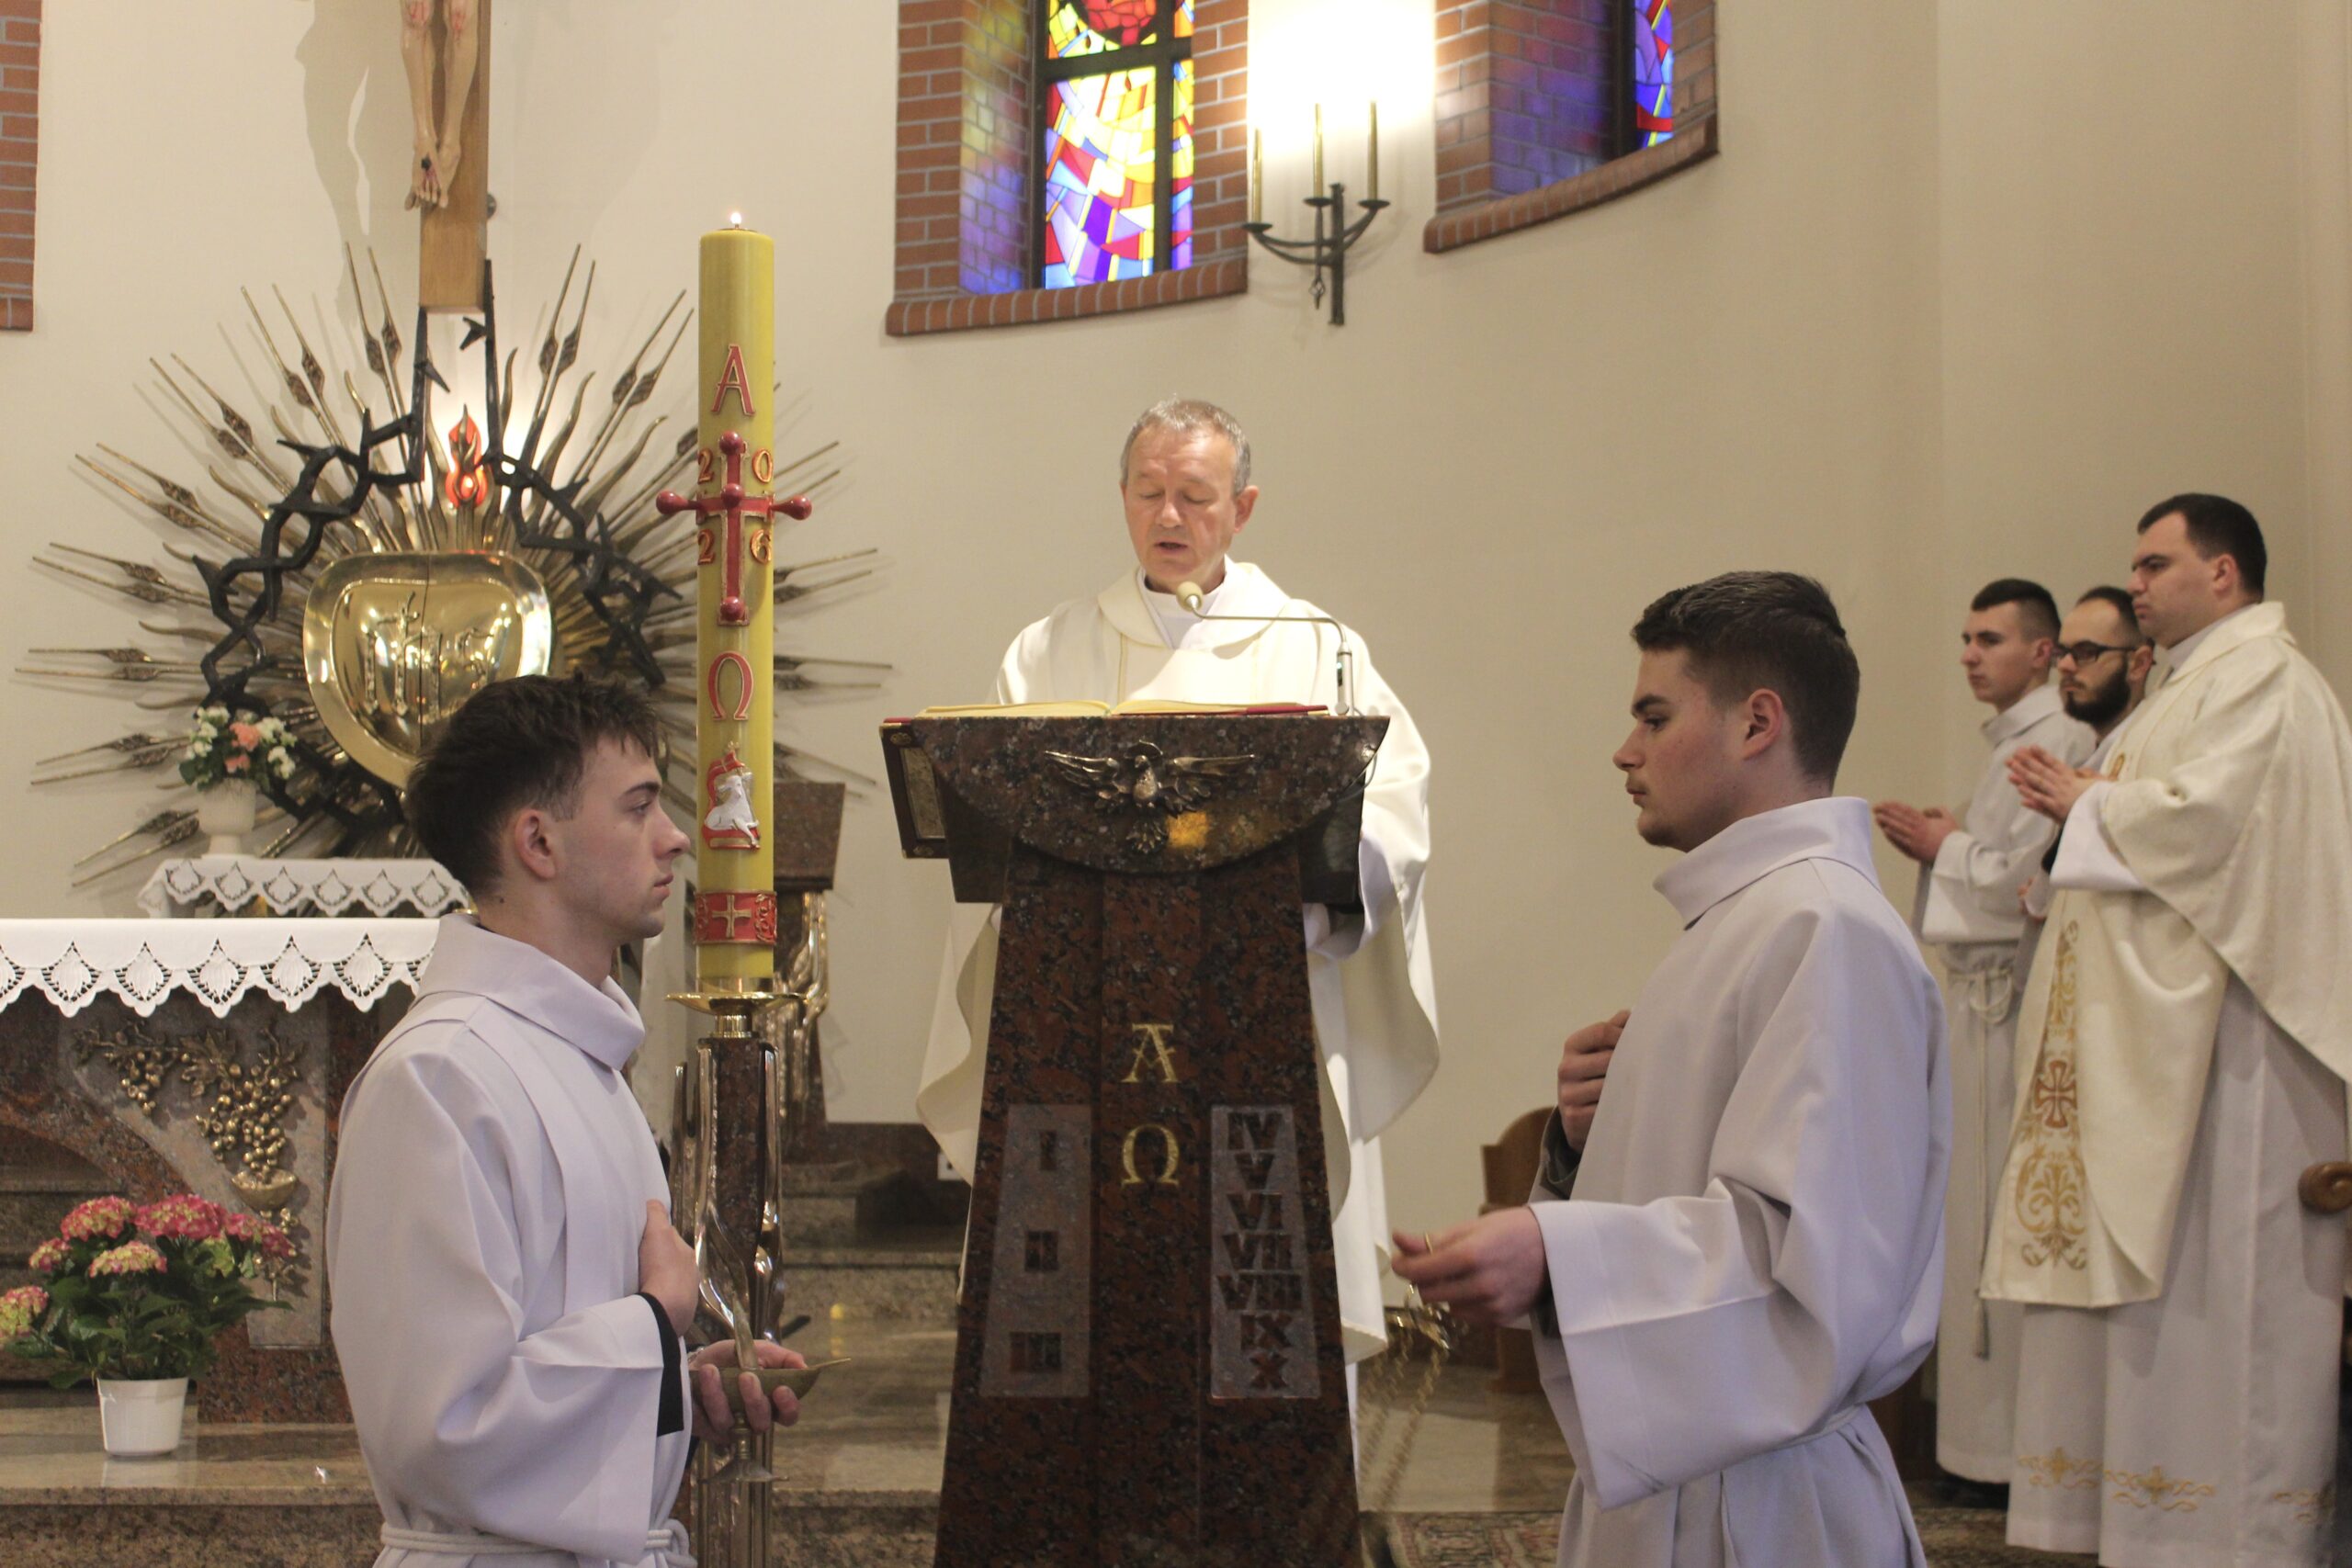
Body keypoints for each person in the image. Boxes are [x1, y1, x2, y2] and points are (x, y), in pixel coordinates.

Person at [1396, 571, 1948, 1568]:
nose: (1626, 750)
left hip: (1768, 1512)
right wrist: (1579, 1145)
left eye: (1654, 716)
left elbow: (1810, 1273)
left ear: (1757, 723)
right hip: (1686, 1482)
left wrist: (1556, 1254)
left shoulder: (1827, 927)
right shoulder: (1749, 917)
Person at [920, 397, 1438, 1371]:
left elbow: (1393, 811)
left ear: (1243, 507)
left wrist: (1300, 912)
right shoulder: (1048, 650)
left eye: (1195, 495)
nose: (1169, 516)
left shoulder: (1318, 648)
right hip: (1085, 1020)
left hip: (1262, 1008)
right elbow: (993, 828)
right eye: (1149, 492)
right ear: (1120, 496)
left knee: (1262, 1313)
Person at [326, 676, 807, 1567]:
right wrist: (654, 1320)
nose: (675, 837)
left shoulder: (579, 1058)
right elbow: (439, 1424)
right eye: (638, 807)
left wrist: (673, 1387)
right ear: (539, 841)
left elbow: (540, 1353)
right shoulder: (439, 1076)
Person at [1985, 494, 2352, 1566]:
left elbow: (2211, 829)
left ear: (2223, 573)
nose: (2135, 583)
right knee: (2154, 1303)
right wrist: (2085, 809)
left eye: (2154, 564)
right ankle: (2147, 1524)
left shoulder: (2263, 681)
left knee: (2219, 1303)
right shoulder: (2185, 688)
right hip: (2158, 1049)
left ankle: (2226, 1534)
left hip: (2232, 1055)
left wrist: (2086, 804)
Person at [1871, 578, 2093, 1492]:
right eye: (1965, 637)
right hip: (1977, 1006)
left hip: (2009, 1010)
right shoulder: (2013, 745)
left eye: (1989, 639)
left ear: (2042, 651)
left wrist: (1944, 847)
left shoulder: (2059, 743)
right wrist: (1952, 840)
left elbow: (2022, 886)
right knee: (1966, 1219)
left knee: (1998, 1216)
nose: (1969, 654)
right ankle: (1974, 1445)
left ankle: (2006, 1454)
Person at [2010, 585, 2152, 952]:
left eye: (2087, 652)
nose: (2066, 666)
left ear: (2138, 664)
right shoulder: (2095, 752)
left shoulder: (2153, 757)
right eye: (2063, 653)